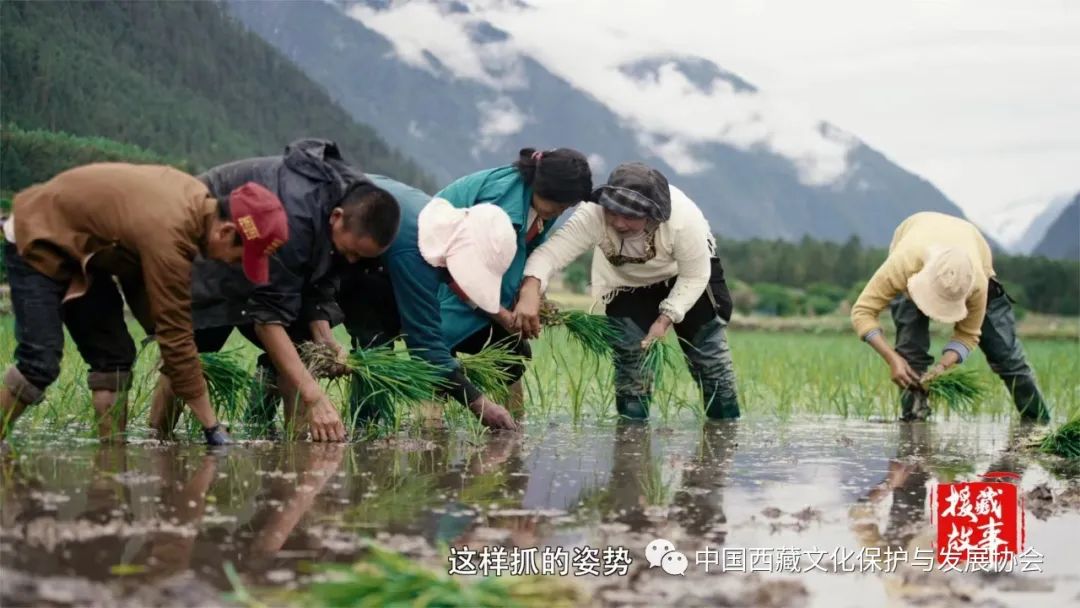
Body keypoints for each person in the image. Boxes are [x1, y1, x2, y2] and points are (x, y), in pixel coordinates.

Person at [0, 163, 288, 445]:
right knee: (40, 362)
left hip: (84, 250)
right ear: (225, 232)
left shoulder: (193, 203)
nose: (234, 264)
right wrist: (212, 427)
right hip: (39, 233)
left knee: (114, 360)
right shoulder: (171, 232)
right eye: (239, 257)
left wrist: (158, 330)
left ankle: (112, 460)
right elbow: (175, 332)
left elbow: (137, 276)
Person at [149, 139, 401, 442]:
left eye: (360, 257)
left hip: (270, 256)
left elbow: (322, 276)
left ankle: (298, 447)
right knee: (191, 353)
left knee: (302, 351)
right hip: (215, 246)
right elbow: (268, 319)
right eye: (351, 252)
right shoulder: (296, 219)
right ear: (336, 217)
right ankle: (157, 438)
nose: (352, 261)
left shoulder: (351, 205)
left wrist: (324, 339)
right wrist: (315, 397)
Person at [514, 162, 739, 421]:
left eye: (630, 216)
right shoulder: (593, 214)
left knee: (709, 359)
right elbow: (550, 254)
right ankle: (632, 435)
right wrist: (531, 289)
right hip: (626, 282)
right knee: (631, 362)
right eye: (613, 212)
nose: (619, 223)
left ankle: (725, 429)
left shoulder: (683, 220)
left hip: (686, 276)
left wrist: (665, 319)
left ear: (652, 215)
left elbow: (695, 275)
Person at [338, 174, 523, 430]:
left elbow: (451, 281)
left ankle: (367, 429)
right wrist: (480, 404)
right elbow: (425, 346)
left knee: (378, 341)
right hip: (338, 240)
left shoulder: (440, 224)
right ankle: (365, 430)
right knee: (374, 348)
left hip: (368, 248)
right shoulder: (415, 253)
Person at [850, 211, 1050, 422]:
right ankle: (914, 422)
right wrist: (892, 359)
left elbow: (968, 334)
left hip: (972, 257)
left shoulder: (977, 284)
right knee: (910, 355)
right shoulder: (903, 264)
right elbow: (862, 312)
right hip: (915, 259)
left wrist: (943, 366)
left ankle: (1038, 423)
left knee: (1008, 357)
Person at [432, 148, 593, 409]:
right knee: (436, 361)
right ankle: (430, 427)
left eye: (566, 207)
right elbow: (460, 273)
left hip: (482, 289)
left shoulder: (540, 207)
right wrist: (502, 315)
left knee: (512, 356)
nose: (560, 212)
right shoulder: (499, 208)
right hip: (441, 281)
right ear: (542, 187)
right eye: (558, 205)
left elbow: (527, 254)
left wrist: (531, 295)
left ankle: (512, 428)